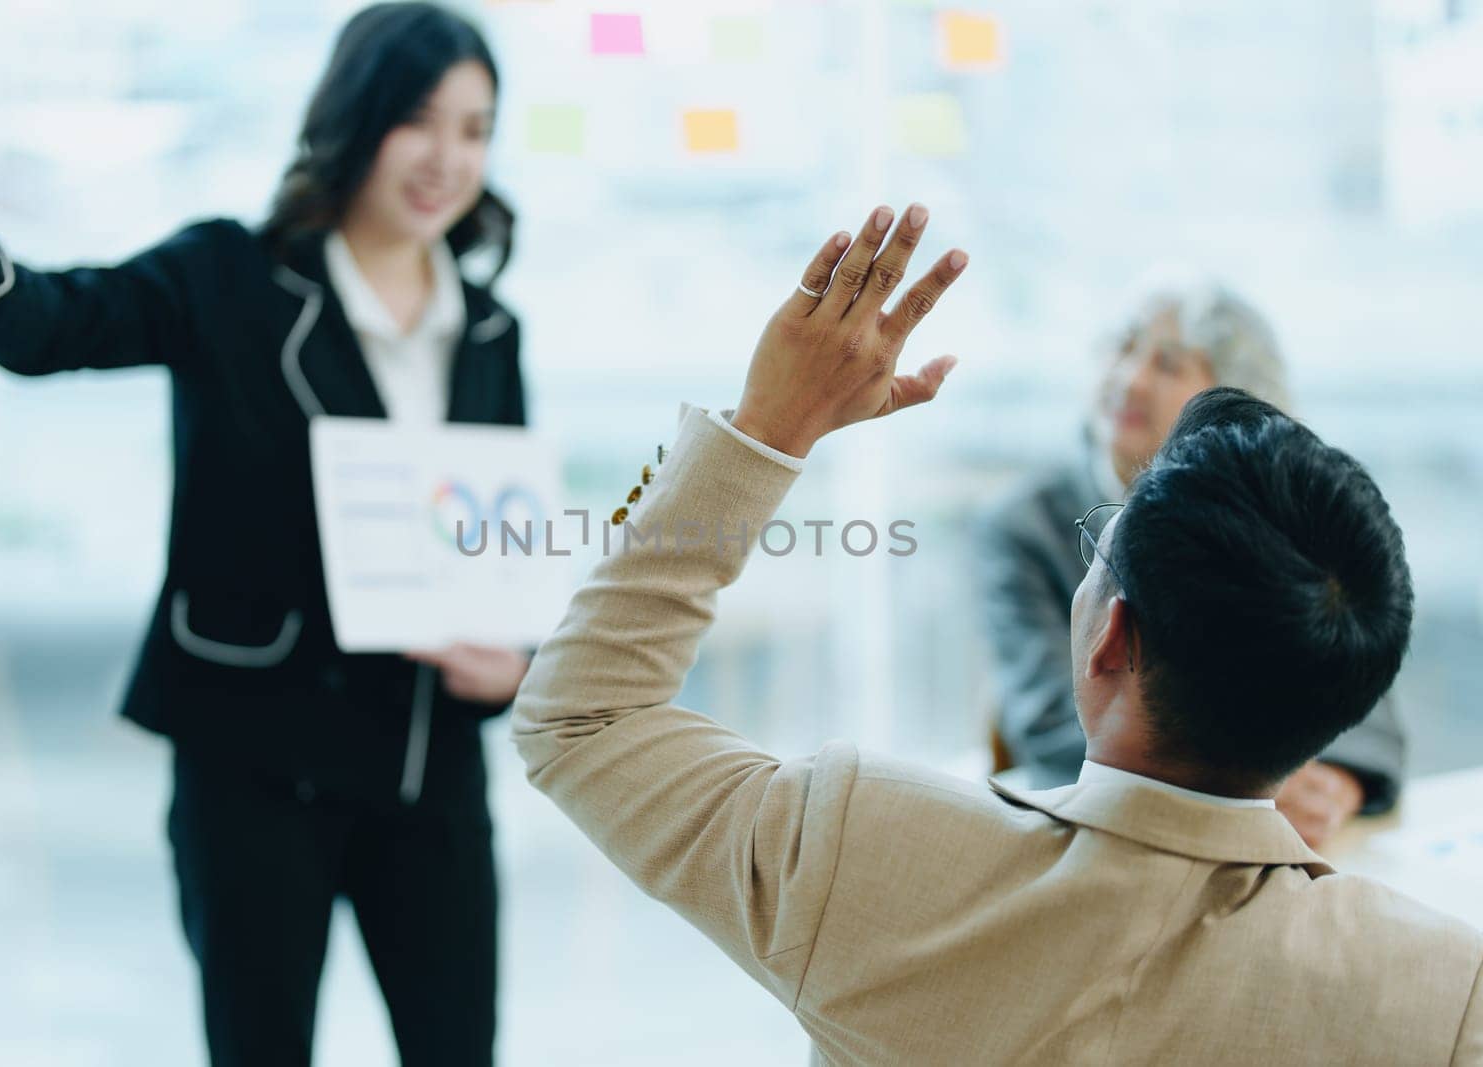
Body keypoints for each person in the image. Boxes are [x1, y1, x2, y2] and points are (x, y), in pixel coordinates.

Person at [509, 204, 1483, 1064]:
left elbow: (582, 717)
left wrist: (770, 425)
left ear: (1108, 637)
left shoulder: (862, 850)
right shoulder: (1438, 991)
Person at [0, 4, 526, 1063]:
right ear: (356, 118)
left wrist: (517, 663)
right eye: (420, 120)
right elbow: (56, 323)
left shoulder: (494, 330)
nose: (446, 157)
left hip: (429, 770)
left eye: (475, 128)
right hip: (257, 765)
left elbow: (504, 544)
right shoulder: (229, 278)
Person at [974, 281, 1406, 846]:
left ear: (1236, 395)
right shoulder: (1026, 522)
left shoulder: (1275, 510)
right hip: (1108, 833)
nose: (1129, 379)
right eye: (1123, 348)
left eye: (1169, 364)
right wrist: (1239, 790)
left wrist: (1337, 784)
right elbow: (1051, 724)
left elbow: (1358, 671)